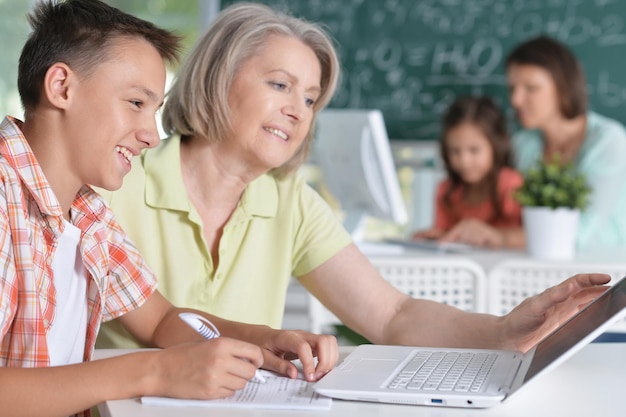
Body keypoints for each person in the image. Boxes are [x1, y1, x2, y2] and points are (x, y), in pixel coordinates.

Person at [96, 2, 608, 359]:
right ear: (217, 77)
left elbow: (392, 315)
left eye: (311, 98)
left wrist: (501, 330)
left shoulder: (289, 201)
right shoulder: (118, 182)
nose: (298, 111)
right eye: (280, 85)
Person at [0, 2, 339, 416]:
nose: (150, 135)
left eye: (155, 111)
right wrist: (152, 371)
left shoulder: (88, 215)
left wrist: (260, 339)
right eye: (136, 103)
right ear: (62, 87)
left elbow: (160, 319)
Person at [506, 35, 626, 249]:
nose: (516, 100)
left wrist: (501, 237)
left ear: (563, 87)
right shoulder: (522, 145)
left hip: (604, 268)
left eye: (531, 88)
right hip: (534, 264)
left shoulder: (609, 141)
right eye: (512, 89)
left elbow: (582, 231)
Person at [411, 96, 525, 248]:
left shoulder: (510, 184)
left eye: (474, 150)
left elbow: (533, 237)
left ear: (496, 146)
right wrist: (438, 236)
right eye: (455, 151)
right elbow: (447, 239)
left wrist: (497, 236)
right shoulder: (447, 191)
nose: (464, 161)